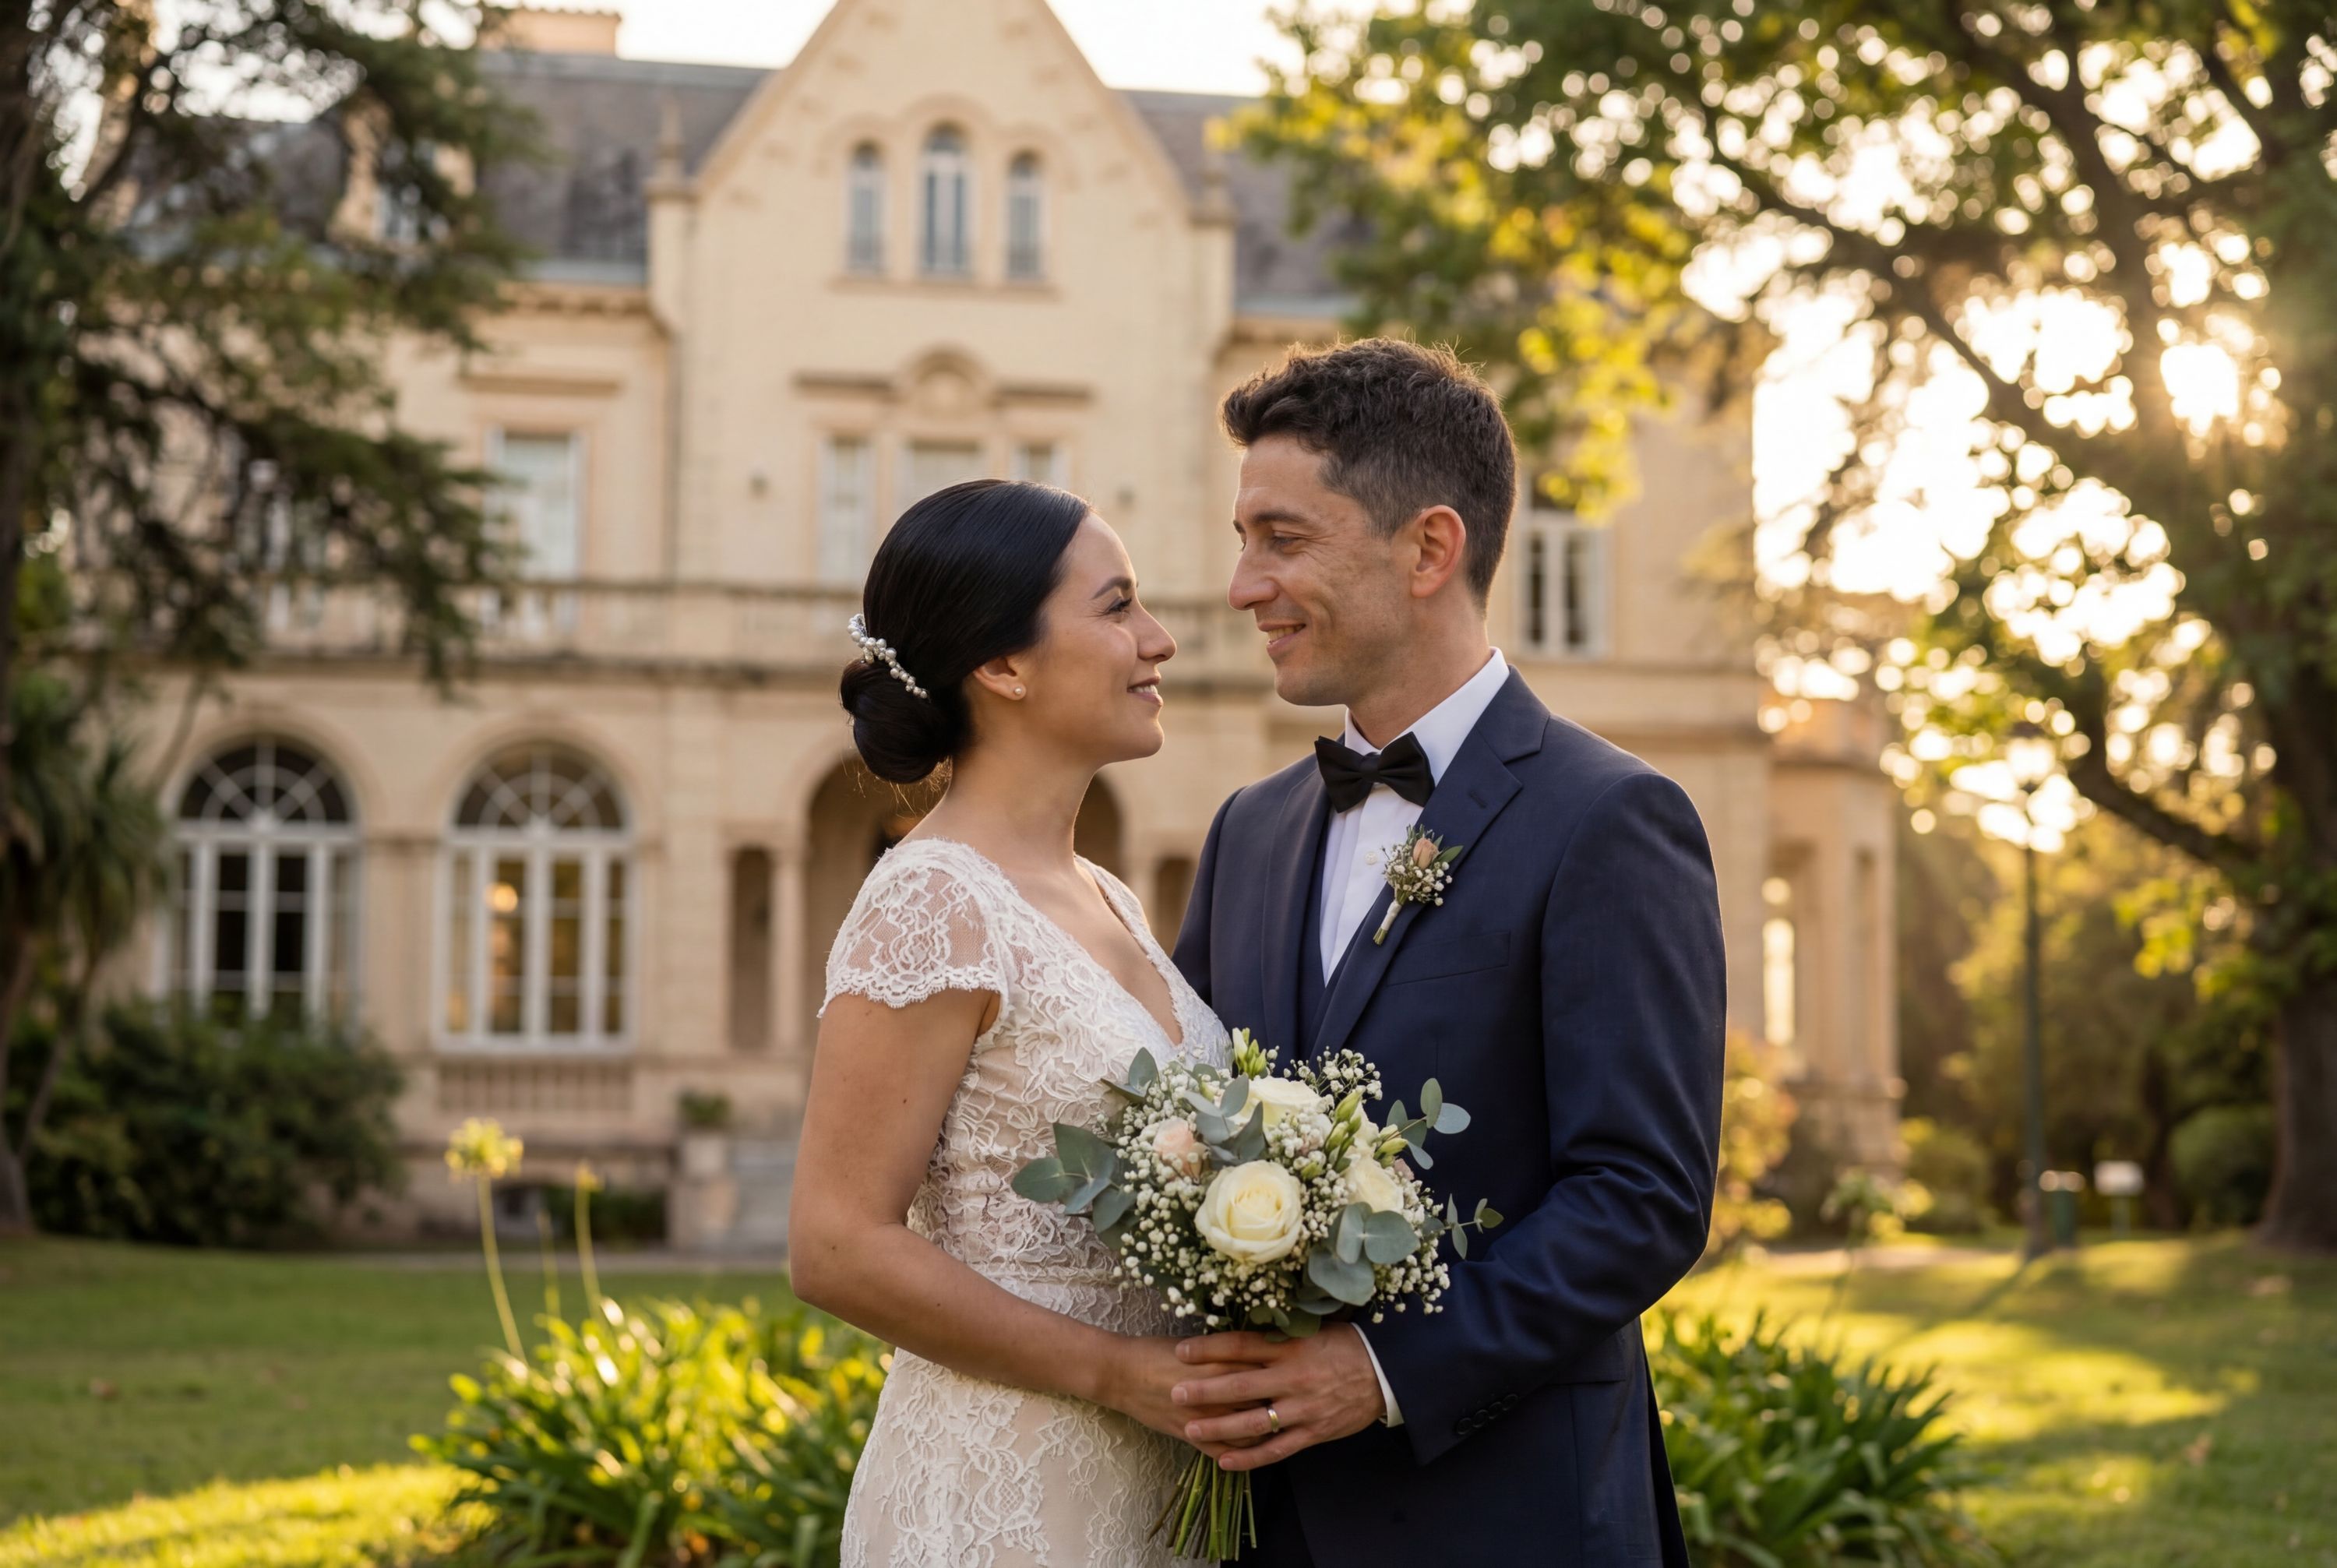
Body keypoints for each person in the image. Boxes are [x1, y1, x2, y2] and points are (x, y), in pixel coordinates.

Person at [1168, 338, 1727, 1566]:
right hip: (1264, 1528)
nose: (1241, 586)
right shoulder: (1248, 833)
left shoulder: (1612, 820)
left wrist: (1379, 1369)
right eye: (1242, 539)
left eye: (1282, 538)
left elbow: (1644, 1196)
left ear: (1429, 548)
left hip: (1512, 1515)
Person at [788, 478, 1252, 1566]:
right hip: (1010, 1487)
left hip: (1161, 1483)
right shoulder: (932, 900)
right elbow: (835, 1244)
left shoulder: (1108, 896)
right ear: (1004, 666)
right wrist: (1117, 1373)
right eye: (1118, 607)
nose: (1161, 641)